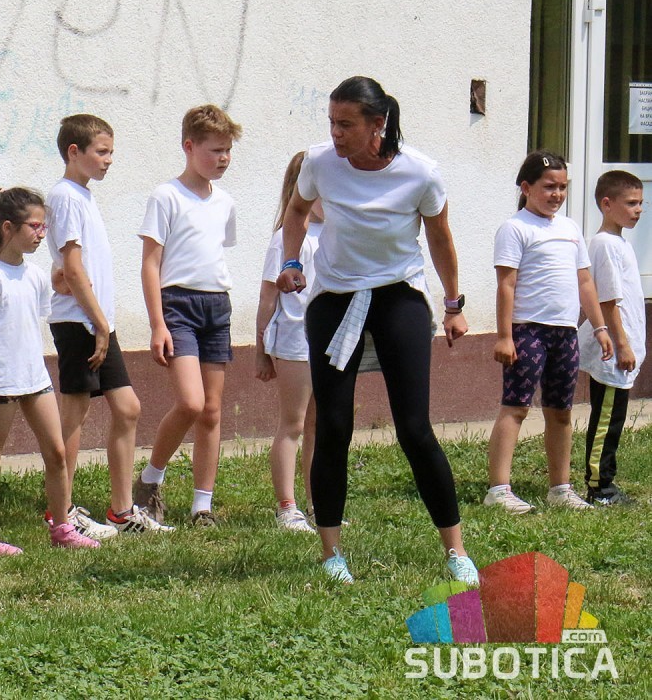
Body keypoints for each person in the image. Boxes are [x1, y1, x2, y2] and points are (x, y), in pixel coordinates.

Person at [277, 76, 479, 587]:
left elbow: (440, 238)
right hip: (334, 300)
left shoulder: (420, 171)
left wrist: (453, 304)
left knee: (414, 428)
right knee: (333, 426)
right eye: (331, 122)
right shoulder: (320, 163)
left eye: (346, 124)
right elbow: (296, 210)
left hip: (398, 296)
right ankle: (331, 553)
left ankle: (456, 551)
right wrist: (292, 260)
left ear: (378, 124)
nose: (335, 133)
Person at [0, 187, 99, 554]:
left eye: (43, 226)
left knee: (56, 453)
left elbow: (23, 327)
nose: (41, 234)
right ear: (8, 228)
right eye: (34, 226)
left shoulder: (35, 276)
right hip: (0, 383)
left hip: (36, 379)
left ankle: (62, 528)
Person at [484, 152, 611, 514]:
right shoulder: (515, 228)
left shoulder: (569, 229)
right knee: (516, 407)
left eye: (562, 187)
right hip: (528, 332)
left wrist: (599, 326)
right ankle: (498, 489)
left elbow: (584, 282)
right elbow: (506, 285)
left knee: (561, 411)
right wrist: (505, 336)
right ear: (526, 188)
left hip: (564, 334)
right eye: (549, 187)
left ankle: (560, 487)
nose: (557, 194)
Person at [137, 104, 242, 528]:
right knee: (191, 402)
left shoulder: (225, 202)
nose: (223, 158)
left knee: (211, 410)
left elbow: (216, 252)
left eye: (228, 150)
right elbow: (150, 263)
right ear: (189, 146)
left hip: (216, 304)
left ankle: (202, 505)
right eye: (215, 150)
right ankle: (151, 479)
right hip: (177, 305)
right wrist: (157, 323)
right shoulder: (166, 196)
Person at [42, 115, 138, 541]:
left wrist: (104, 322)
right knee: (74, 416)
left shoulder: (83, 196)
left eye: (111, 152)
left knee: (128, 408)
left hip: (98, 321)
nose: (109, 160)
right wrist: (99, 322)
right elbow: (73, 268)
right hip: (80, 321)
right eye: (101, 151)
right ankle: (60, 512)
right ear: (74, 152)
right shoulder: (64, 196)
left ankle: (122, 511)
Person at [254, 152, 321, 532]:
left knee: (319, 426)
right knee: (293, 423)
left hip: (329, 342)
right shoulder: (285, 239)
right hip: (295, 342)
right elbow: (268, 298)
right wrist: (260, 351)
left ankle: (317, 503)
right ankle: (287, 507)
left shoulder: (334, 235)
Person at [579, 170, 644, 506]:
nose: (638, 210)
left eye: (641, 203)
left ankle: (605, 481)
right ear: (607, 204)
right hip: (614, 353)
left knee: (614, 417)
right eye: (631, 203)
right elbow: (607, 299)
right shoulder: (604, 244)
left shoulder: (619, 242)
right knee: (607, 419)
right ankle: (599, 486)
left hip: (623, 349)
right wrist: (622, 344)